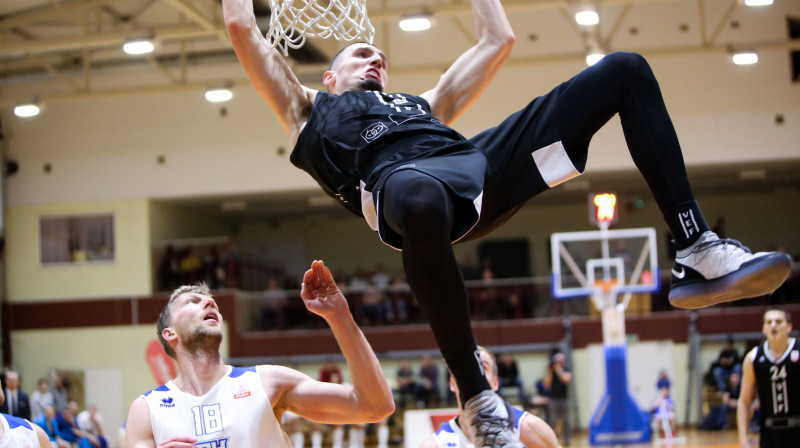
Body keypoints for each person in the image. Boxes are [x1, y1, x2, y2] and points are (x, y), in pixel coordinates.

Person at [222, 0, 793, 442]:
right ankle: (477, 400)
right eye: (358, 55)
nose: (375, 57)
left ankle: (696, 247)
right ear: (329, 77)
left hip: (472, 169)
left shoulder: (422, 105)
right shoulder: (308, 112)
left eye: (380, 55)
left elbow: (500, 39)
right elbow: (242, 28)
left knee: (624, 70)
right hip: (406, 193)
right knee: (416, 194)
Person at [124, 260, 394, 448]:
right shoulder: (147, 410)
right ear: (170, 334)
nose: (209, 301)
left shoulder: (267, 382)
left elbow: (374, 406)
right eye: (192, 302)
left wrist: (340, 317)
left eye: (211, 301)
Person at [420, 346, 561, 448]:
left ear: (495, 383)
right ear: (452, 383)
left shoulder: (530, 428)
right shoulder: (435, 444)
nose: (473, 376)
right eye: (465, 370)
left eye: (482, 368)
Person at [738, 307, 800, 448]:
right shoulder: (753, 358)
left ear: (789, 326)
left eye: (778, 321)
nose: (773, 325)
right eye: (769, 322)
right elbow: (744, 401)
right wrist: (743, 438)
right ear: (763, 328)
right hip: (770, 434)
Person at [543, 352, 572, 446]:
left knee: (566, 420)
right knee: (552, 420)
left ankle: (567, 440)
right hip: (553, 399)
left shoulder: (565, 369)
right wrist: (550, 371)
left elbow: (566, 379)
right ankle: (553, 440)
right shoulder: (550, 371)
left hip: (564, 399)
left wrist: (558, 369)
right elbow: (546, 385)